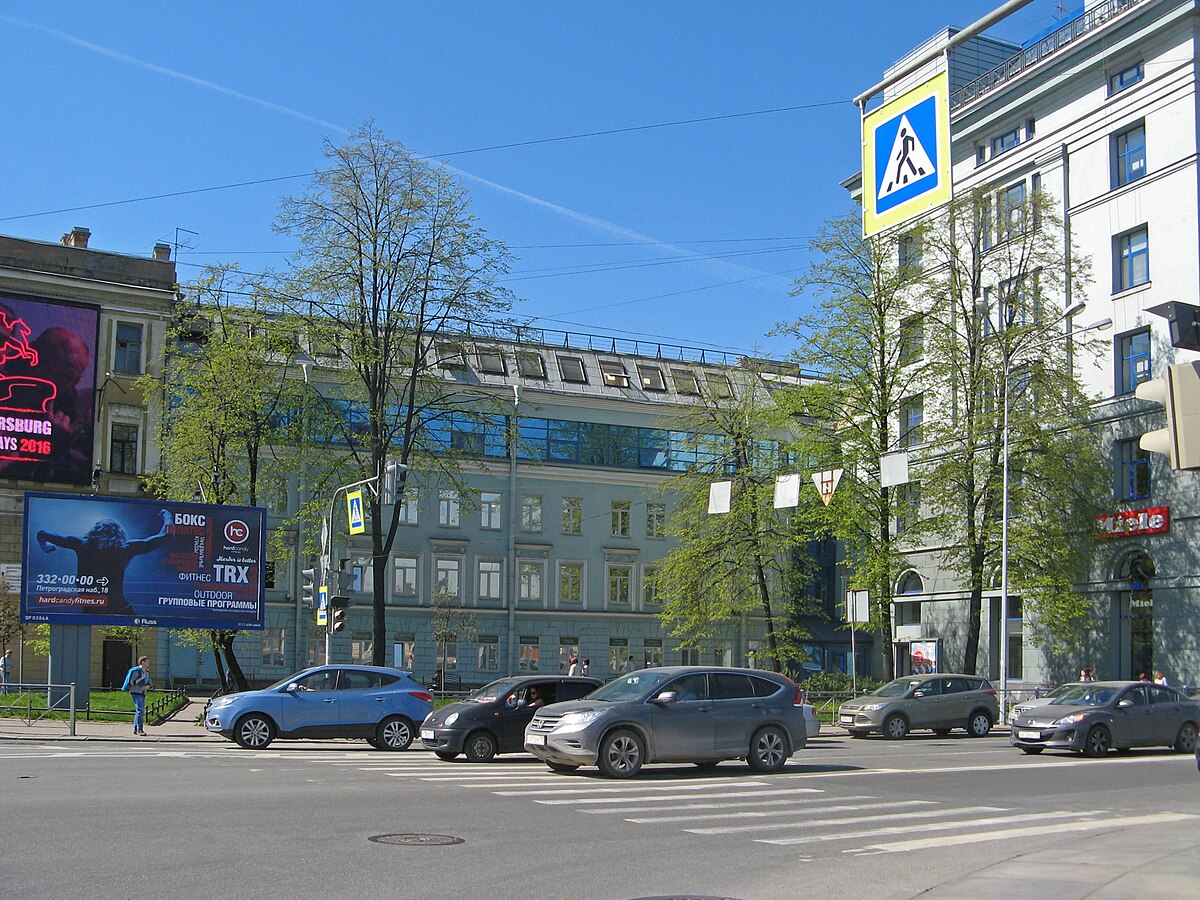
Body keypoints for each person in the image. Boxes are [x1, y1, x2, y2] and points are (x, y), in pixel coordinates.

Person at [36, 508, 172, 615]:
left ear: (95, 530)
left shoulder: (81, 544)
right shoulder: (125, 548)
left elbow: (42, 534)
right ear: (120, 533)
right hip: (119, 608)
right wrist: (167, 516)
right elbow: (167, 535)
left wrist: (45, 545)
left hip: (92, 609)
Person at [121, 656, 152, 736]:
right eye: (147, 662)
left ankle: (135, 729)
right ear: (142, 662)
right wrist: (141, 678)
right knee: (140, 710)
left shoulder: (147, 672)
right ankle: (139, 729)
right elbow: (132, 682)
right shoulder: (136, 671)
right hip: (135, 692)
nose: (148, 663)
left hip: (142, 693)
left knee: (140, 711)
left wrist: (148, 686)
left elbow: (149, 682)